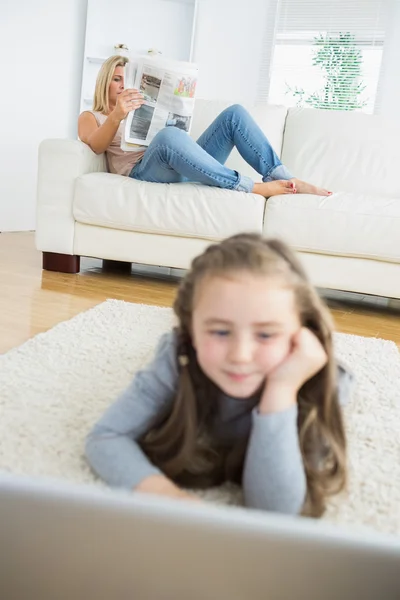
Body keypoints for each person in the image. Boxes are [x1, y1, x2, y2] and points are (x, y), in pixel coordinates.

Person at [85, 233, 352, 517]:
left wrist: (281, 390)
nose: (240, 355)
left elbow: (276, 510)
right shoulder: (177, 358)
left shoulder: (318, 384)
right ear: (190, 332)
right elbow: (106, 436)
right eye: (220, 331)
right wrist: (165, 495)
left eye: (265, 334)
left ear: (301, 333)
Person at [78, 55, 332, 198]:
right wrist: (117, 117)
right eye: (116, 79)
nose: (123, 85)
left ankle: (285, 178)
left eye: (128, 79)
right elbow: (95, 146)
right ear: (104, 82)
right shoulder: (92, 116)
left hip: (183, 163)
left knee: (234, 115)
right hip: (145, 170)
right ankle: (252, 187)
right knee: (168, 137)